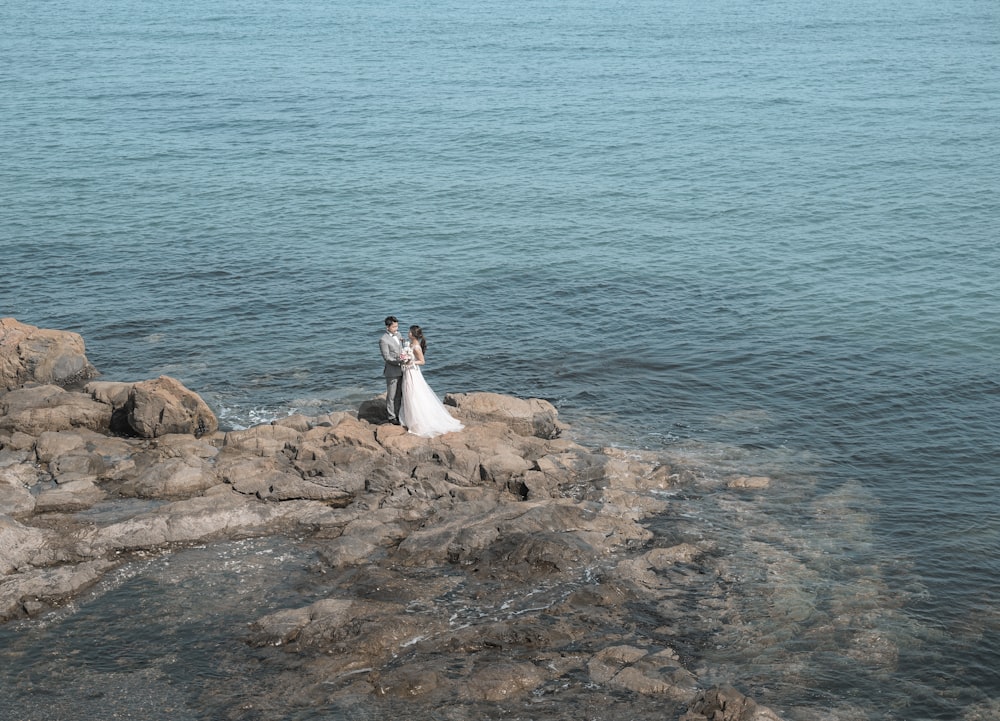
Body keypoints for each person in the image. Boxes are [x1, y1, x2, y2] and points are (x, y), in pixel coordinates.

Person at [398, 325, 464, 437]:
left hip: (413, 371)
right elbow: (408, 349)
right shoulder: (411, 344)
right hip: (408, 372)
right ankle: (411, 420)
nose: (408, 333)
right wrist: (404, 344)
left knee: (413, 392)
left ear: (413, 335)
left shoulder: (417, 347)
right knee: (408, 392)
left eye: (409, 332)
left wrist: (410, 362)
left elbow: (422, 361)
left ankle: (418, 421)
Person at [379, 315, 404, 424]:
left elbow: (401, 349)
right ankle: (391, 416)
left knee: (400, 393)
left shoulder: (399, 335)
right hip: (392, 371)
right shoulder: (383, 340)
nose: (396, 329)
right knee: (392, 395)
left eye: (397, 326)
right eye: (394, 327)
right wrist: (399, 361)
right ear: (387, 327)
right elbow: (387, 357)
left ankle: (399, 413)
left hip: (403, 369)